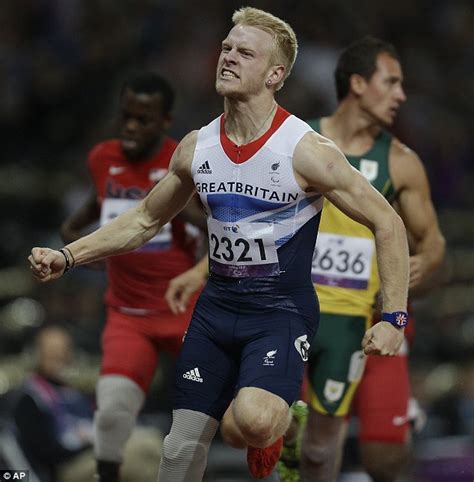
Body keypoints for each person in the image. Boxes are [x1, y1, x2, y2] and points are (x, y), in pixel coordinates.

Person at [29, 8, 410, 482]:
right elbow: (146, 218)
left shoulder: (306, 150)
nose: (227, 57)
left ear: (274, 75)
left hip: (279, 313)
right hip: (214, 313)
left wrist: (394, 318)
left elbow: (387, 222)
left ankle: (285, 427)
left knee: (251, 421)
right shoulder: (195, 147)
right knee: (177, 451)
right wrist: (69, 256)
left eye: (244, 52)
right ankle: (271, 423)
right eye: (227, 47)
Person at [275, 37, 445, 482]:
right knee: (284, 434)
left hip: (367, 319)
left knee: (383, 461)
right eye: (391, 83)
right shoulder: (296, 140)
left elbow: (432, 244)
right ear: (357, 84)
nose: (401, 95)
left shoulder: (401, 162)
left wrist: (412, 278)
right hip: (292, 311)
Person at [60, 72, 205, 482]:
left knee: (212, 417)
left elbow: (217, 228)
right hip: (128, 313)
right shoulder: (103, 158)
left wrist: (199, 270)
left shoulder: (185, 161)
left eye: (143, 120)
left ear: (165, 121)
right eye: (126, 116)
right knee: (111, 412)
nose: (131, 127)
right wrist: (84, 251)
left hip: (185, 312)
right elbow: (80, 221)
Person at [13, 325, 95, 482]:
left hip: (90, 454)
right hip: (64, 468)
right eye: (52, 352)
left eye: (63, 351)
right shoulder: (30, 397)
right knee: (140, 453)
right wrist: (88, 446)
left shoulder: (76, 392)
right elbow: (44, 453)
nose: (59, 357)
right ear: (36, 355)